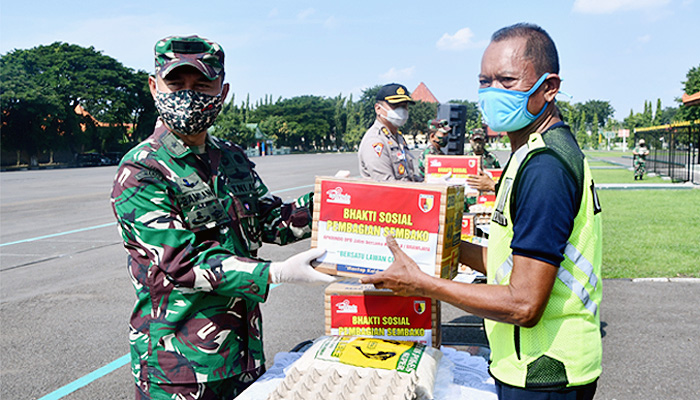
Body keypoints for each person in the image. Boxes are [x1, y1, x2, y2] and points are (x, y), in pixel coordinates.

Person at [362, 23, 602, 400]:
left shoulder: (545, 167)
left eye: (507, 81)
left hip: (545, 371)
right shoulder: (531, 152)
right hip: (531, 364)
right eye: (484, 81)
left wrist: (424, 284)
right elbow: (510, 260)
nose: (492, 93)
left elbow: (524, 303)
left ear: (549, 87)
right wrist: (441, 246)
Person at [110, 35, 334, 400]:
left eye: (201, 84)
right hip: (178, 367)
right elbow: (180, 263)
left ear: (223, 91)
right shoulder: (142, 169)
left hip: (243, 357)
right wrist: (275, 273)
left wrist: (332, 203)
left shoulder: (230, 157)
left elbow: (271, 219)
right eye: (176, 84)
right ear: (154, 87)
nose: (188, 94)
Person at [358, 83, 422, 181]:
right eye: (395, 105)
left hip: (405, 193)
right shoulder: (375, 140)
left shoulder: (397, 137)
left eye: (404, 106)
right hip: (389, 195)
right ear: (378, 109)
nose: (401, 110)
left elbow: (409, 177)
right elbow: (386, 184)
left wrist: (430, 183)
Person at [465, 128, 501, 208]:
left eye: (480, 141)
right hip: (470, 199)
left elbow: (498, 177)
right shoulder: (466, 159)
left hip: (487, 200)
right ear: (470, 141)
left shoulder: (492, 158)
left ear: (484, 141)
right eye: (475, 141)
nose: (477, 144)